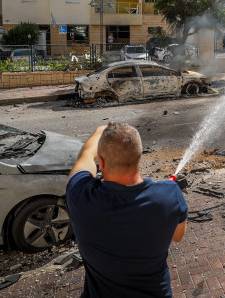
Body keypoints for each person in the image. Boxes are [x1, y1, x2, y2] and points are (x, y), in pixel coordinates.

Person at [66, 122, 188, 297]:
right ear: (139, 156)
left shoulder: (79, 197)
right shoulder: (169, 195)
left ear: (101, 161)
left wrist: (99, 132)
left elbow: (85, 157)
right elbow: (178, 236)